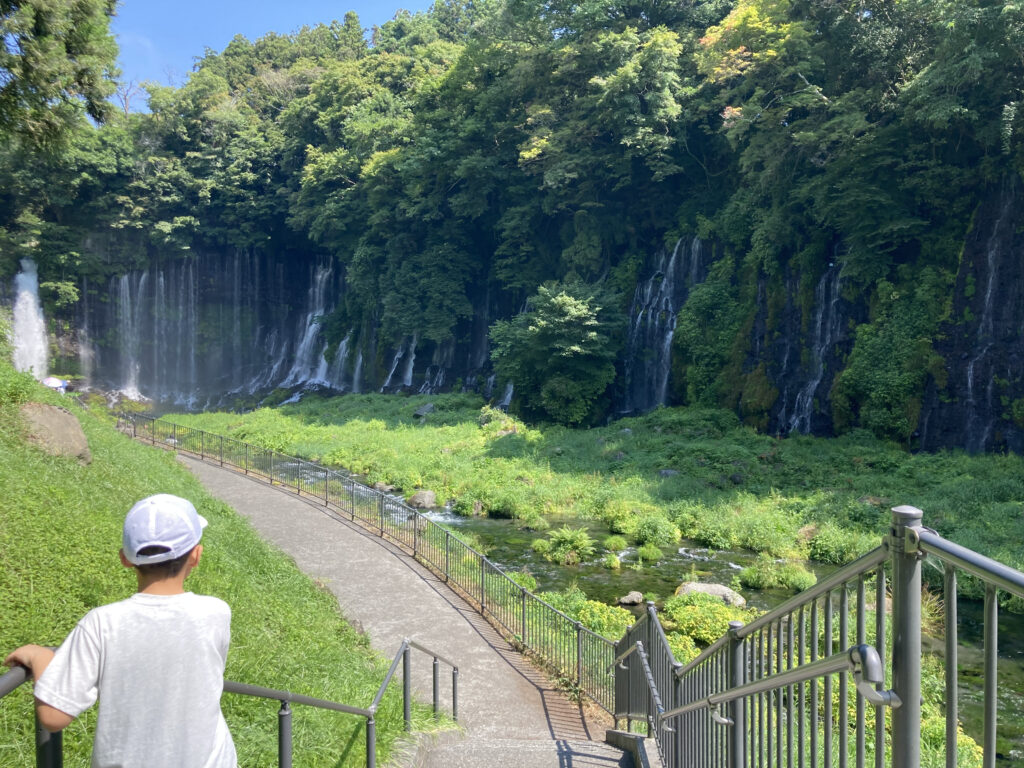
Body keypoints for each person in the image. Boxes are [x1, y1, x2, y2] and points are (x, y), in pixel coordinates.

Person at [4, 494, 237, 768]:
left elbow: (54, 716)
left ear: (125, 559)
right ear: (196, 556)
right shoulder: (216, 612)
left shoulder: (101, 623)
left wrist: (40, 657)